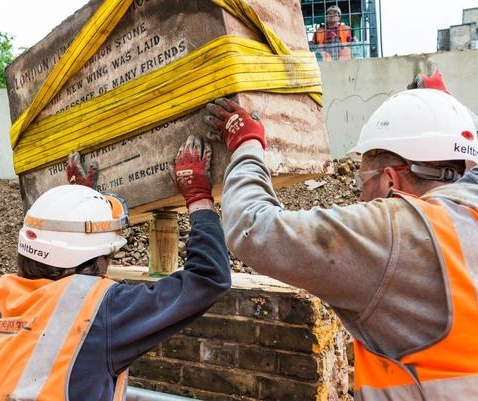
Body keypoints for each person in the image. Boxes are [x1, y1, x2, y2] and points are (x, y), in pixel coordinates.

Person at [204, 91, 478, 400]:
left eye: (362, 184)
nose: (361, 197)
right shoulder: (466, 220)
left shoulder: (398, 233)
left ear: (390, 180)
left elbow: (253, 228)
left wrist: (246, 146)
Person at [0, 135, 231, 401]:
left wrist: (80, 202)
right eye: (108, 255)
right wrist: (198, 198)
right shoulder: (100, 310)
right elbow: (208, 277)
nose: (109, 264)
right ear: (94, 259)